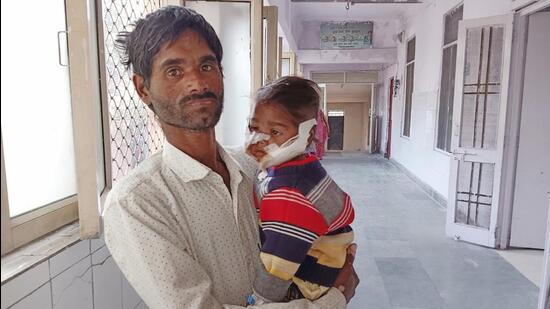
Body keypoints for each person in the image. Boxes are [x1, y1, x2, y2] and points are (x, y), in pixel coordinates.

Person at [102, 5, 359, 309]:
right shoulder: (138, 202)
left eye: (207, 66)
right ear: (143, 88)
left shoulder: (257, 166)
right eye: (174, 71)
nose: (197, 82)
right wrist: (333, 300)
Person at [244, 77, 355, 305]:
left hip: (306, 285)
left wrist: (259, 301)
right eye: (254, 128)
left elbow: (278, 266)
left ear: (309, 133)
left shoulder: (289, 194)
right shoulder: (303, 166)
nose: (260, 140)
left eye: (275, 132)